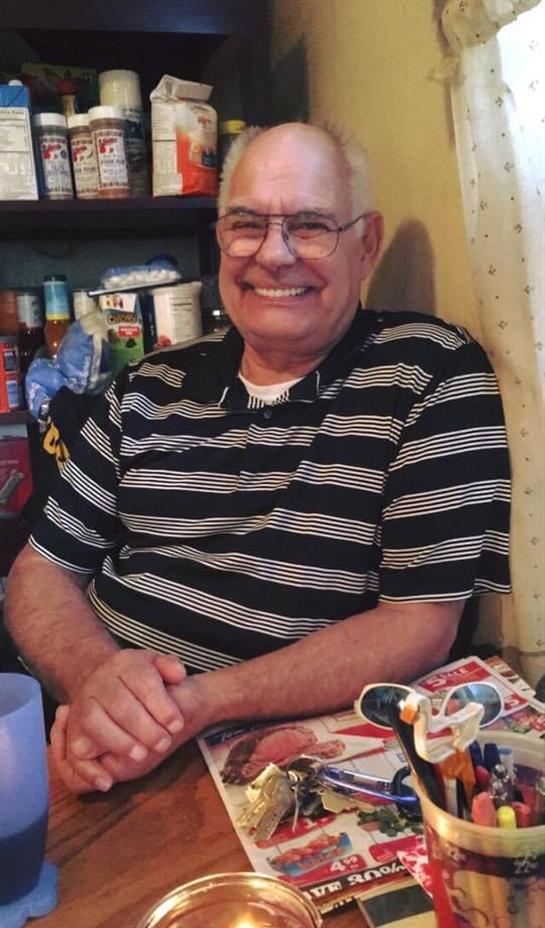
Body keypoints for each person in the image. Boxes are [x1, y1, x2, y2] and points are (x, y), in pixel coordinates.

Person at [5, 122, 511, 795]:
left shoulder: (429, 373)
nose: (272, 255)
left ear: (366, 244)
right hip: (88, 741)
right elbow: (40, 569)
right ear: (220, 240)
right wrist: (95, 679)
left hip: (261, 763)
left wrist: (193, 705)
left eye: (308, 225)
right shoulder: (145, 387)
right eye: (246, 223)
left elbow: (419, 626)